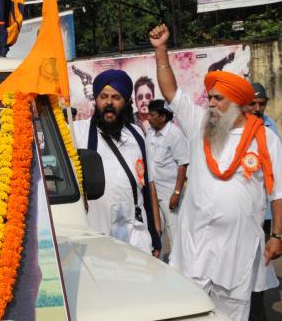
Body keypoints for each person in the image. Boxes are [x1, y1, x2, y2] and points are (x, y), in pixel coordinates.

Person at [149, 24, 282, 321]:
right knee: (189, 312)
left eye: (218, 99)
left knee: (232, 315)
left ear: (236, 103)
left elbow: (278, 192)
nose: (210, 104)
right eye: (209, 98)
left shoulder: (266, 138)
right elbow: (171, 91)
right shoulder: (199, 124)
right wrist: (161, 51)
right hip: (194, 245)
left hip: (238, 248)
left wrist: (277, 235)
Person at [73, 69, 162, 256]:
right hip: (98, 239)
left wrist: (155, 234)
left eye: (116, 97)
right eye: (103, 96)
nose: (109, 103)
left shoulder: (137, 134)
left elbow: (147, 186)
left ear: (126, 102)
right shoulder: (77, 134)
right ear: (96, 100)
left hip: (136, 238)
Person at [145, 99, 189, 255]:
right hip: (152, 189)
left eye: (152, 115)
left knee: (174, 231)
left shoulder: (175, 134)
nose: (148, 118)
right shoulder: (149, 132)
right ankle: (161, 267)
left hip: (169, 192)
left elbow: (182, 164)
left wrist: (176, 193)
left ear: (162, 117)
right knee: (156, 230)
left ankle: (180, 269)